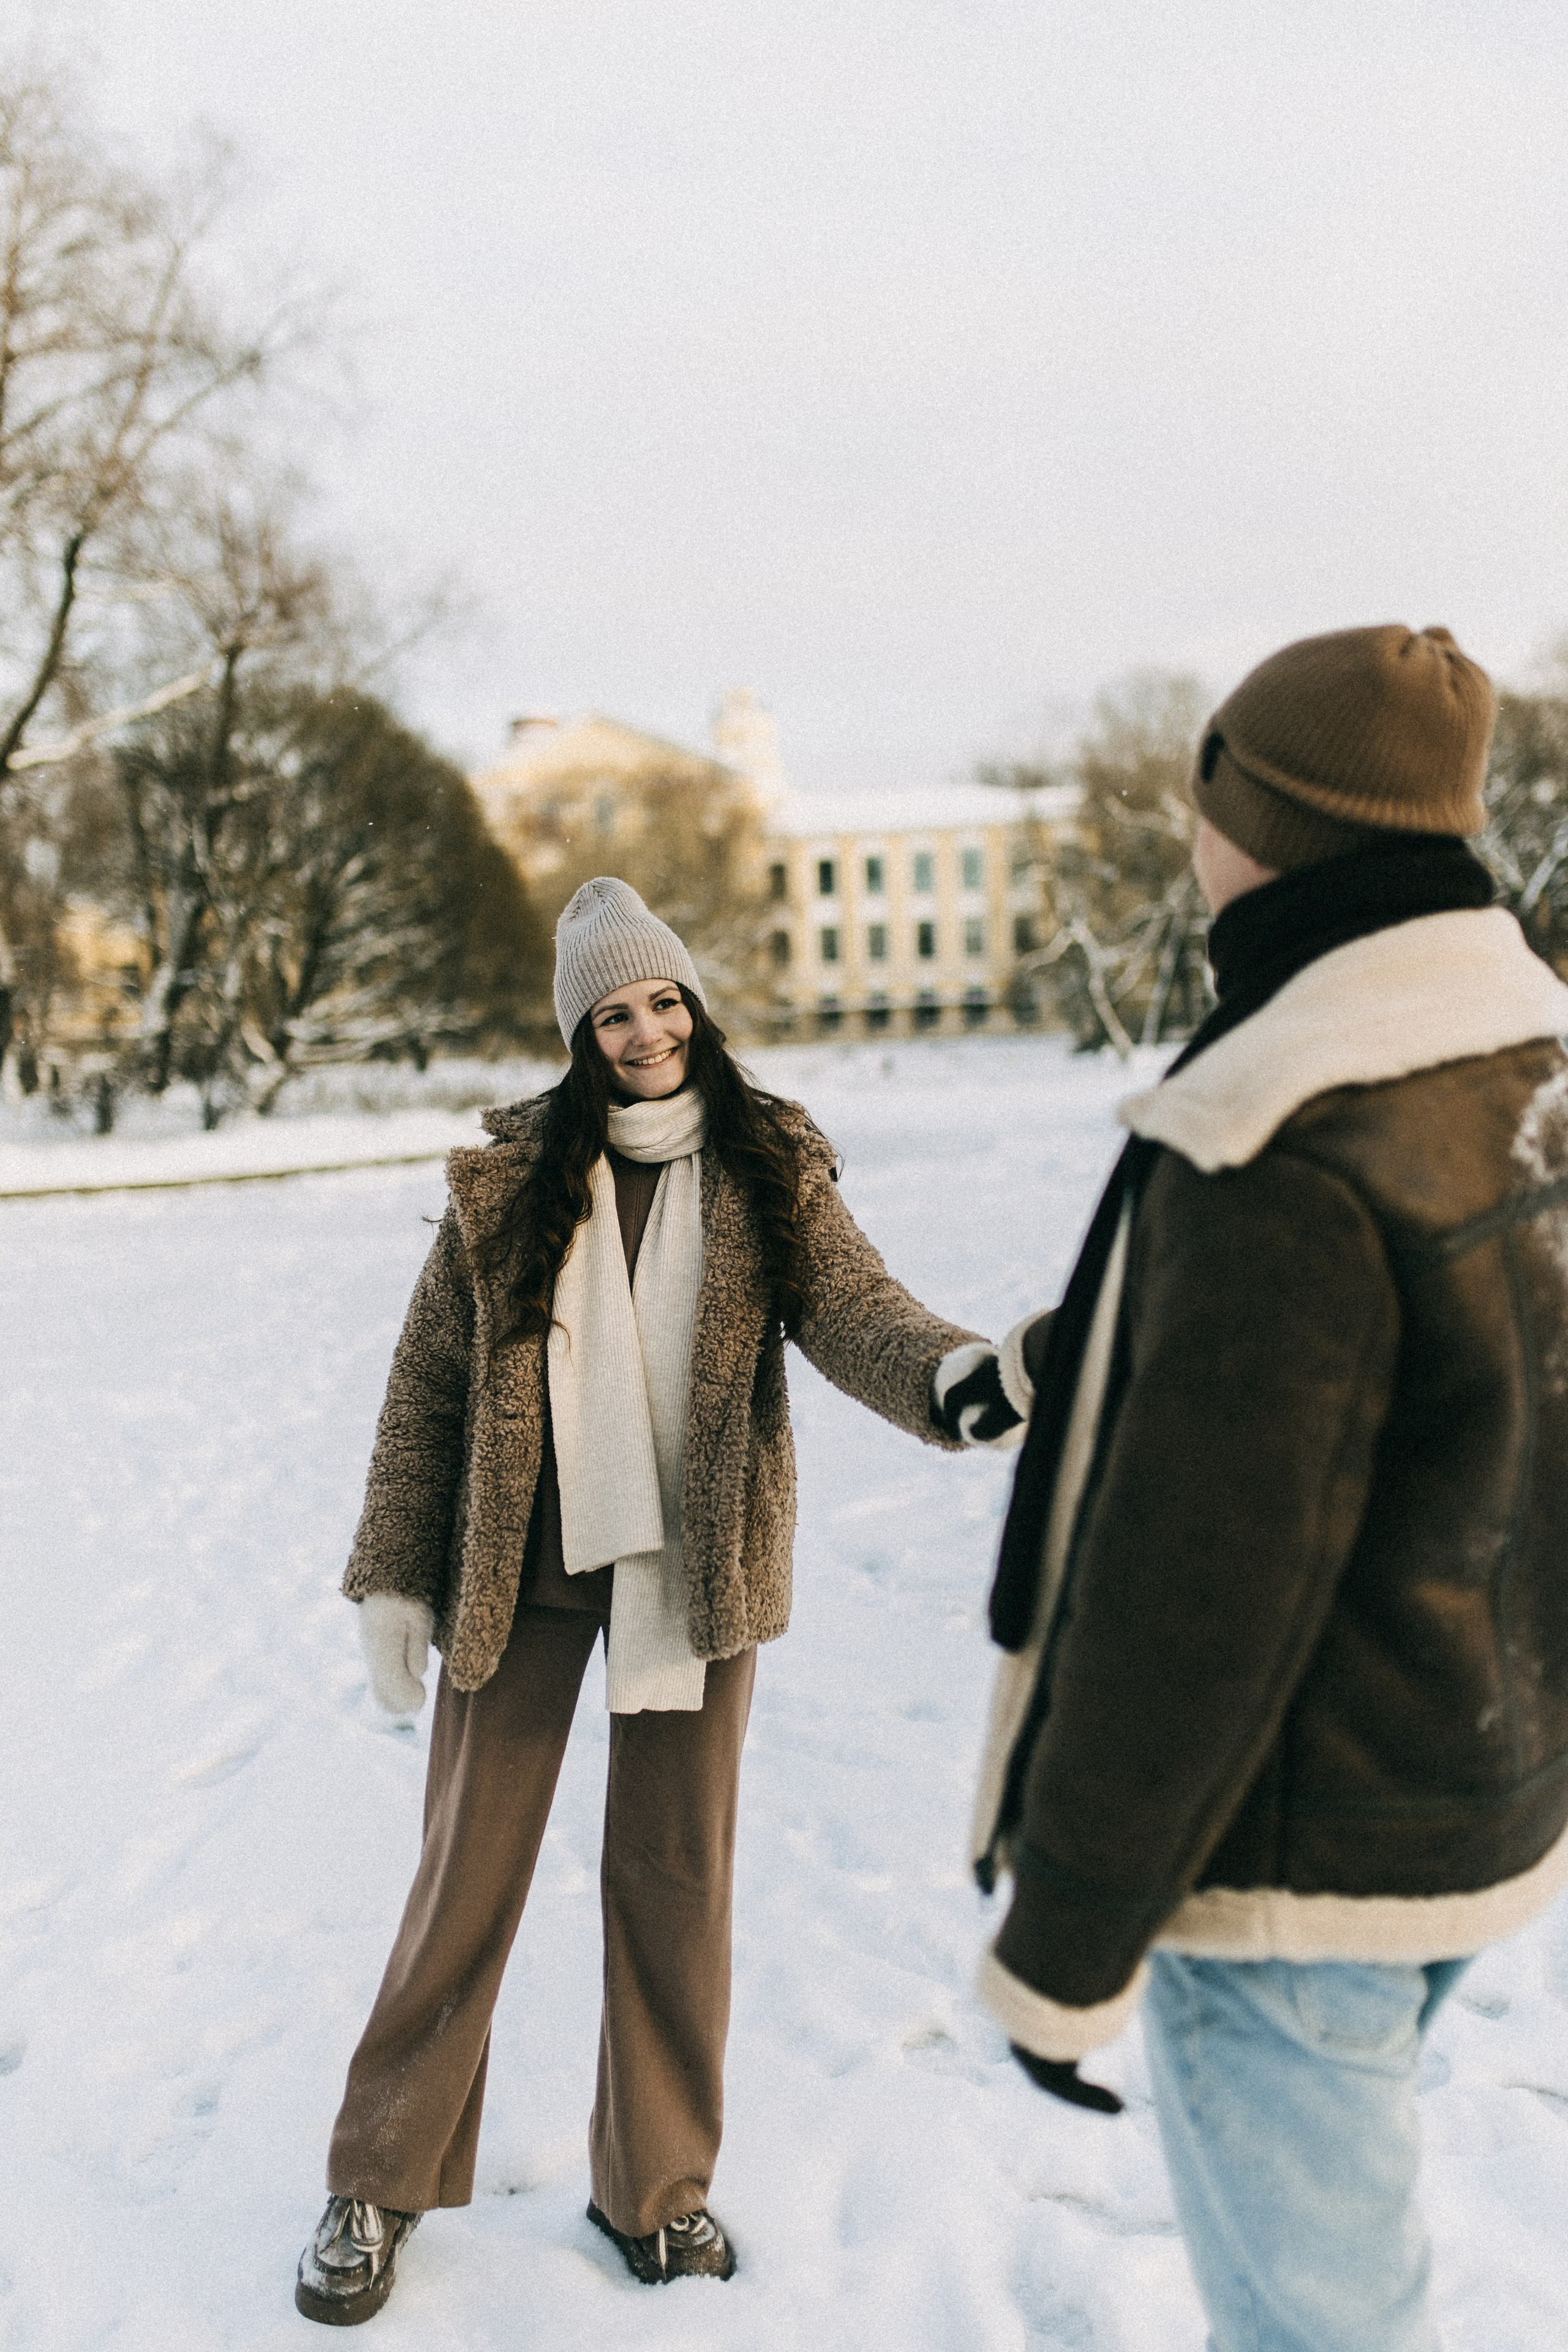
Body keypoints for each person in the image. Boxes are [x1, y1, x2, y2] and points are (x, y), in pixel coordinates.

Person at [963, 626, 1568, 2350]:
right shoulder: (1520, 1053)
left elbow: (1196, 1593)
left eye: (1206, 802)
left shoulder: (1277, 1124)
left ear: (1273, 825)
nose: (1191, 837)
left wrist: (1066, 1943)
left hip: (1297, 1848)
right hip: (1472, 1775)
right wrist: (1049, 1367)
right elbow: (1409, 1339)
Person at [296, 876, 989, 2326]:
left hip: (698, 1561)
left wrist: (949, 1379)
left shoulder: (765, 1162)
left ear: (692, 1004)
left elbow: (856, 1310)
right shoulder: (506, 1185)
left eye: (662, 998)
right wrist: (394, 1573)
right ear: (579, 1034)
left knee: (677, 1877)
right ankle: (376, 2180)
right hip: (526, 1558)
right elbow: (428, 1389)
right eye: (612, 1011)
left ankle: (657, 2191)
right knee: (463, 1877)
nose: (646, 1027)